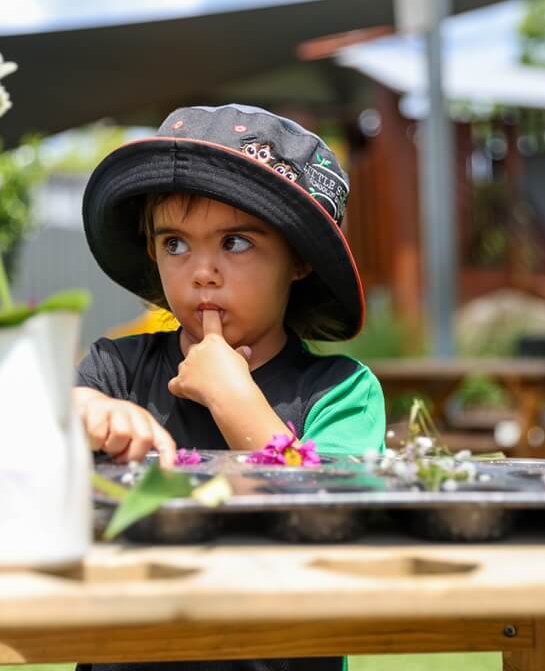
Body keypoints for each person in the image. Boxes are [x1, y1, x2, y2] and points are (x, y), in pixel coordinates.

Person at [74, 103, 386, 671]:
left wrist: (232, 397)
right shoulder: (113, 372)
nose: (201, 272)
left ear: (299, 261)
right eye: (175, 244)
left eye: (236, 243)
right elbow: (40, 435)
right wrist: (85, 411)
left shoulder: (342, 391)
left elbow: (334, 519)